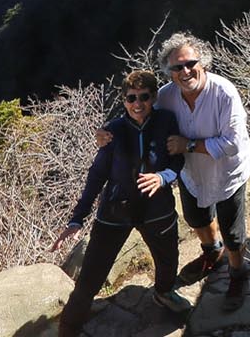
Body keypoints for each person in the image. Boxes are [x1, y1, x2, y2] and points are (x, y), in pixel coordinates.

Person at [51, 71, 189, 335]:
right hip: (116, 211)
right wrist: (78, 217)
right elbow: (97, 175)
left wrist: (163, 177)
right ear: (124, 100)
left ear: (154, 97)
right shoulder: (113, 131)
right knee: (91, 275)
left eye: (144, 97)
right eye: (131, 98)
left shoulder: (166, 122)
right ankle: (69, 327)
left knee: (168, 258)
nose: (138, 104)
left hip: (156, 208)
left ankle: (163, 292)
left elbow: (177, 160)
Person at [159, 31, 250, 309]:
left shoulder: (223, 92)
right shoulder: (166, 97)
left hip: (227, 173)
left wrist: (188, 145)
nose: (185, 71)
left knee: (233, 232)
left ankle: (238, 273)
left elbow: (232, 144)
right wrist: (111, 133)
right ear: (170, 73)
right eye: (177, 67)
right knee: (197, 219)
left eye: (191, 63)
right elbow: (142, 115)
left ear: (204, 63)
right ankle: (212, 252)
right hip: (192, 175)